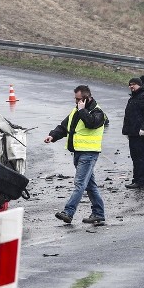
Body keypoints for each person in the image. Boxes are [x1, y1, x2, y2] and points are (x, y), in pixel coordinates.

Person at [44, 85, 107, 226]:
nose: (76, 101)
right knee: (90, 185)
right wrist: (52, 136)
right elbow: (64, 127)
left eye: (78, 99)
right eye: (75, 98)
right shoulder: (76, 111)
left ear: (86, 98)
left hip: (89, 154)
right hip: (78, 152)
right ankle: (99, 213)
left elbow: (91, 124)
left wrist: (82, 110)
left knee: (79, 184)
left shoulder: (98, 112)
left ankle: (68, 212)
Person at [121, 77, 144, 189]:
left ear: (139, 85)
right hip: (133, 132)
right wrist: (126, 131)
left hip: (140, 133)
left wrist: (143, 128)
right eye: (130, 84)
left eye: (134, 84)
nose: (132, 86)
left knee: (139, 157)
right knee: (139, 156)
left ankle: (140, 180)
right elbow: (129, 116)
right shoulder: (134, 97)